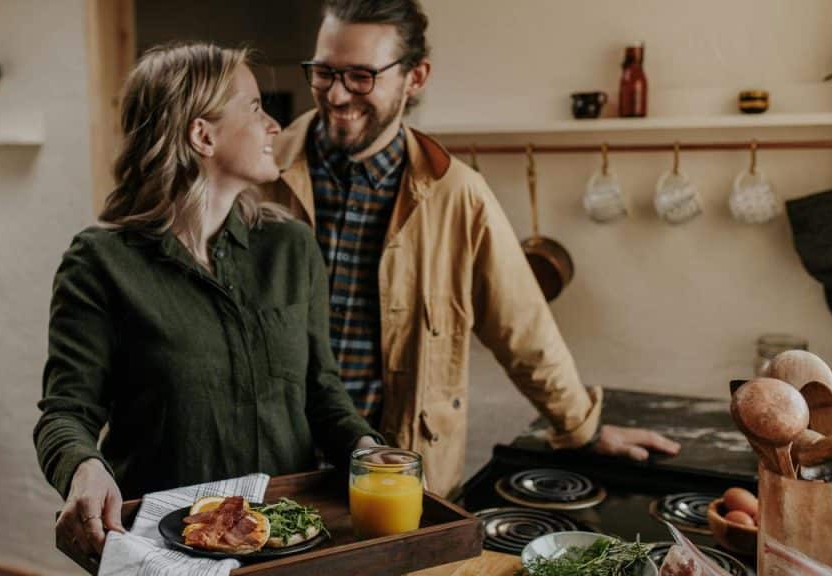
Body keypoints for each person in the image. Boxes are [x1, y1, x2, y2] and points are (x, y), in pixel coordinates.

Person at [261, 0, 681, 497]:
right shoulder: (259, 175)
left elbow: (523, 328)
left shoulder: (458, 194)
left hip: (401, 479)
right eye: (324, 72)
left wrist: (583, 430)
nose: (336, 94)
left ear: (415, 78)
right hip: (276, 469)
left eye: (360, 76)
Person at [33, 43, 382, 557]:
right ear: (202, 134)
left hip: (285, 545)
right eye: (255, 107)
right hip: (162, 548)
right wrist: (83, 468)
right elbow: (66, 411)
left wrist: (369, 451)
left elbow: (321, 391)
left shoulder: (292, 248)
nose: (274, 127)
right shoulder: (99, 261)